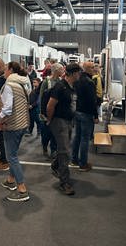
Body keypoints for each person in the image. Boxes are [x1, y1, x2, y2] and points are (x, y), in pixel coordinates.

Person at [0, 61, 31, 202]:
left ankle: (22, 189)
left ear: (10, 70)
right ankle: (10, 180)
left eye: (5, 69)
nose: (4, 71)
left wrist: (0, 120)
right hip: (22, 123)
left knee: (12, 157)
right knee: (13, 154)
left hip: (12, 126)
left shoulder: (9, 86)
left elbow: (8, 108)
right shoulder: (22, 84)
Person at [47, 63, 81, 195]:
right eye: (78, 72)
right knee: (65, 151)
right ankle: (64, 182)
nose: (79, 75)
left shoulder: (72, 86)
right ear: (72, 73)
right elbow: (50, 105)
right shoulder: (60, 86)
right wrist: (50, 120)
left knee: (65, 149)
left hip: (68, 121)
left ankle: (56, 165)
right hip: (59, 121)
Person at [72, 61, 99, 172]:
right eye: (92, 67)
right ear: (86, 69)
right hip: (86, 114)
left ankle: (74, 160)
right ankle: (83, 164)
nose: (95, 69)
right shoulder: (89, 82)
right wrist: (96, 115)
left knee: (77, 137)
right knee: (84, 139)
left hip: (77, 112)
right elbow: (92, 101)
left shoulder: (77, 80)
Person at [39, 63, 64, 158]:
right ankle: (45, 147)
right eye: (61, 69)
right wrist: (42, 113)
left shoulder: (61, 81)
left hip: (57, 112)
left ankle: (53, 150)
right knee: (46, 133)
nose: (63, 71)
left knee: (55, 133)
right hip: (46, 112)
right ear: (56, 71)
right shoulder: (46, 81)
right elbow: (41, 98)